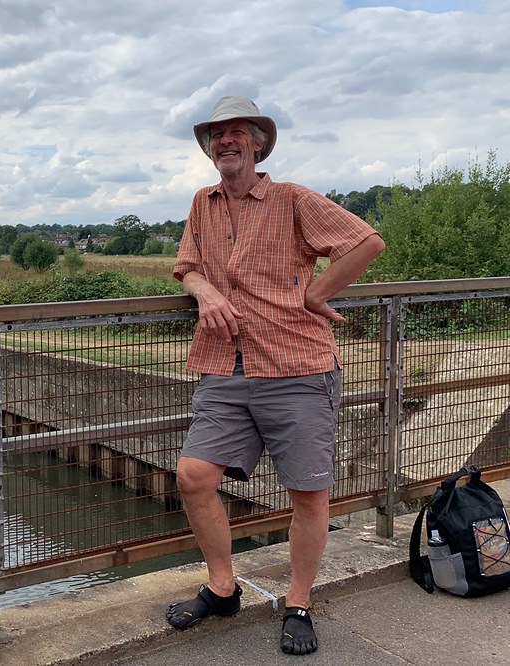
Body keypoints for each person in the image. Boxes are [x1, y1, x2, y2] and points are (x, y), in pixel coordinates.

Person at [164, 96, 385, 656]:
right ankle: (222, 586)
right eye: (218, 135)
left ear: (258, 144)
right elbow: (186, 265)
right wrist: (204, 289)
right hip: (224, 364)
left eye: (239, 132)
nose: (227, 141)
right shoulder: (202, 203)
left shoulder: (291, 199)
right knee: (193, 475)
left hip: (297, 366)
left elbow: (367, 241)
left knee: (308, 494)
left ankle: (299, 601)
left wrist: (316, 292)